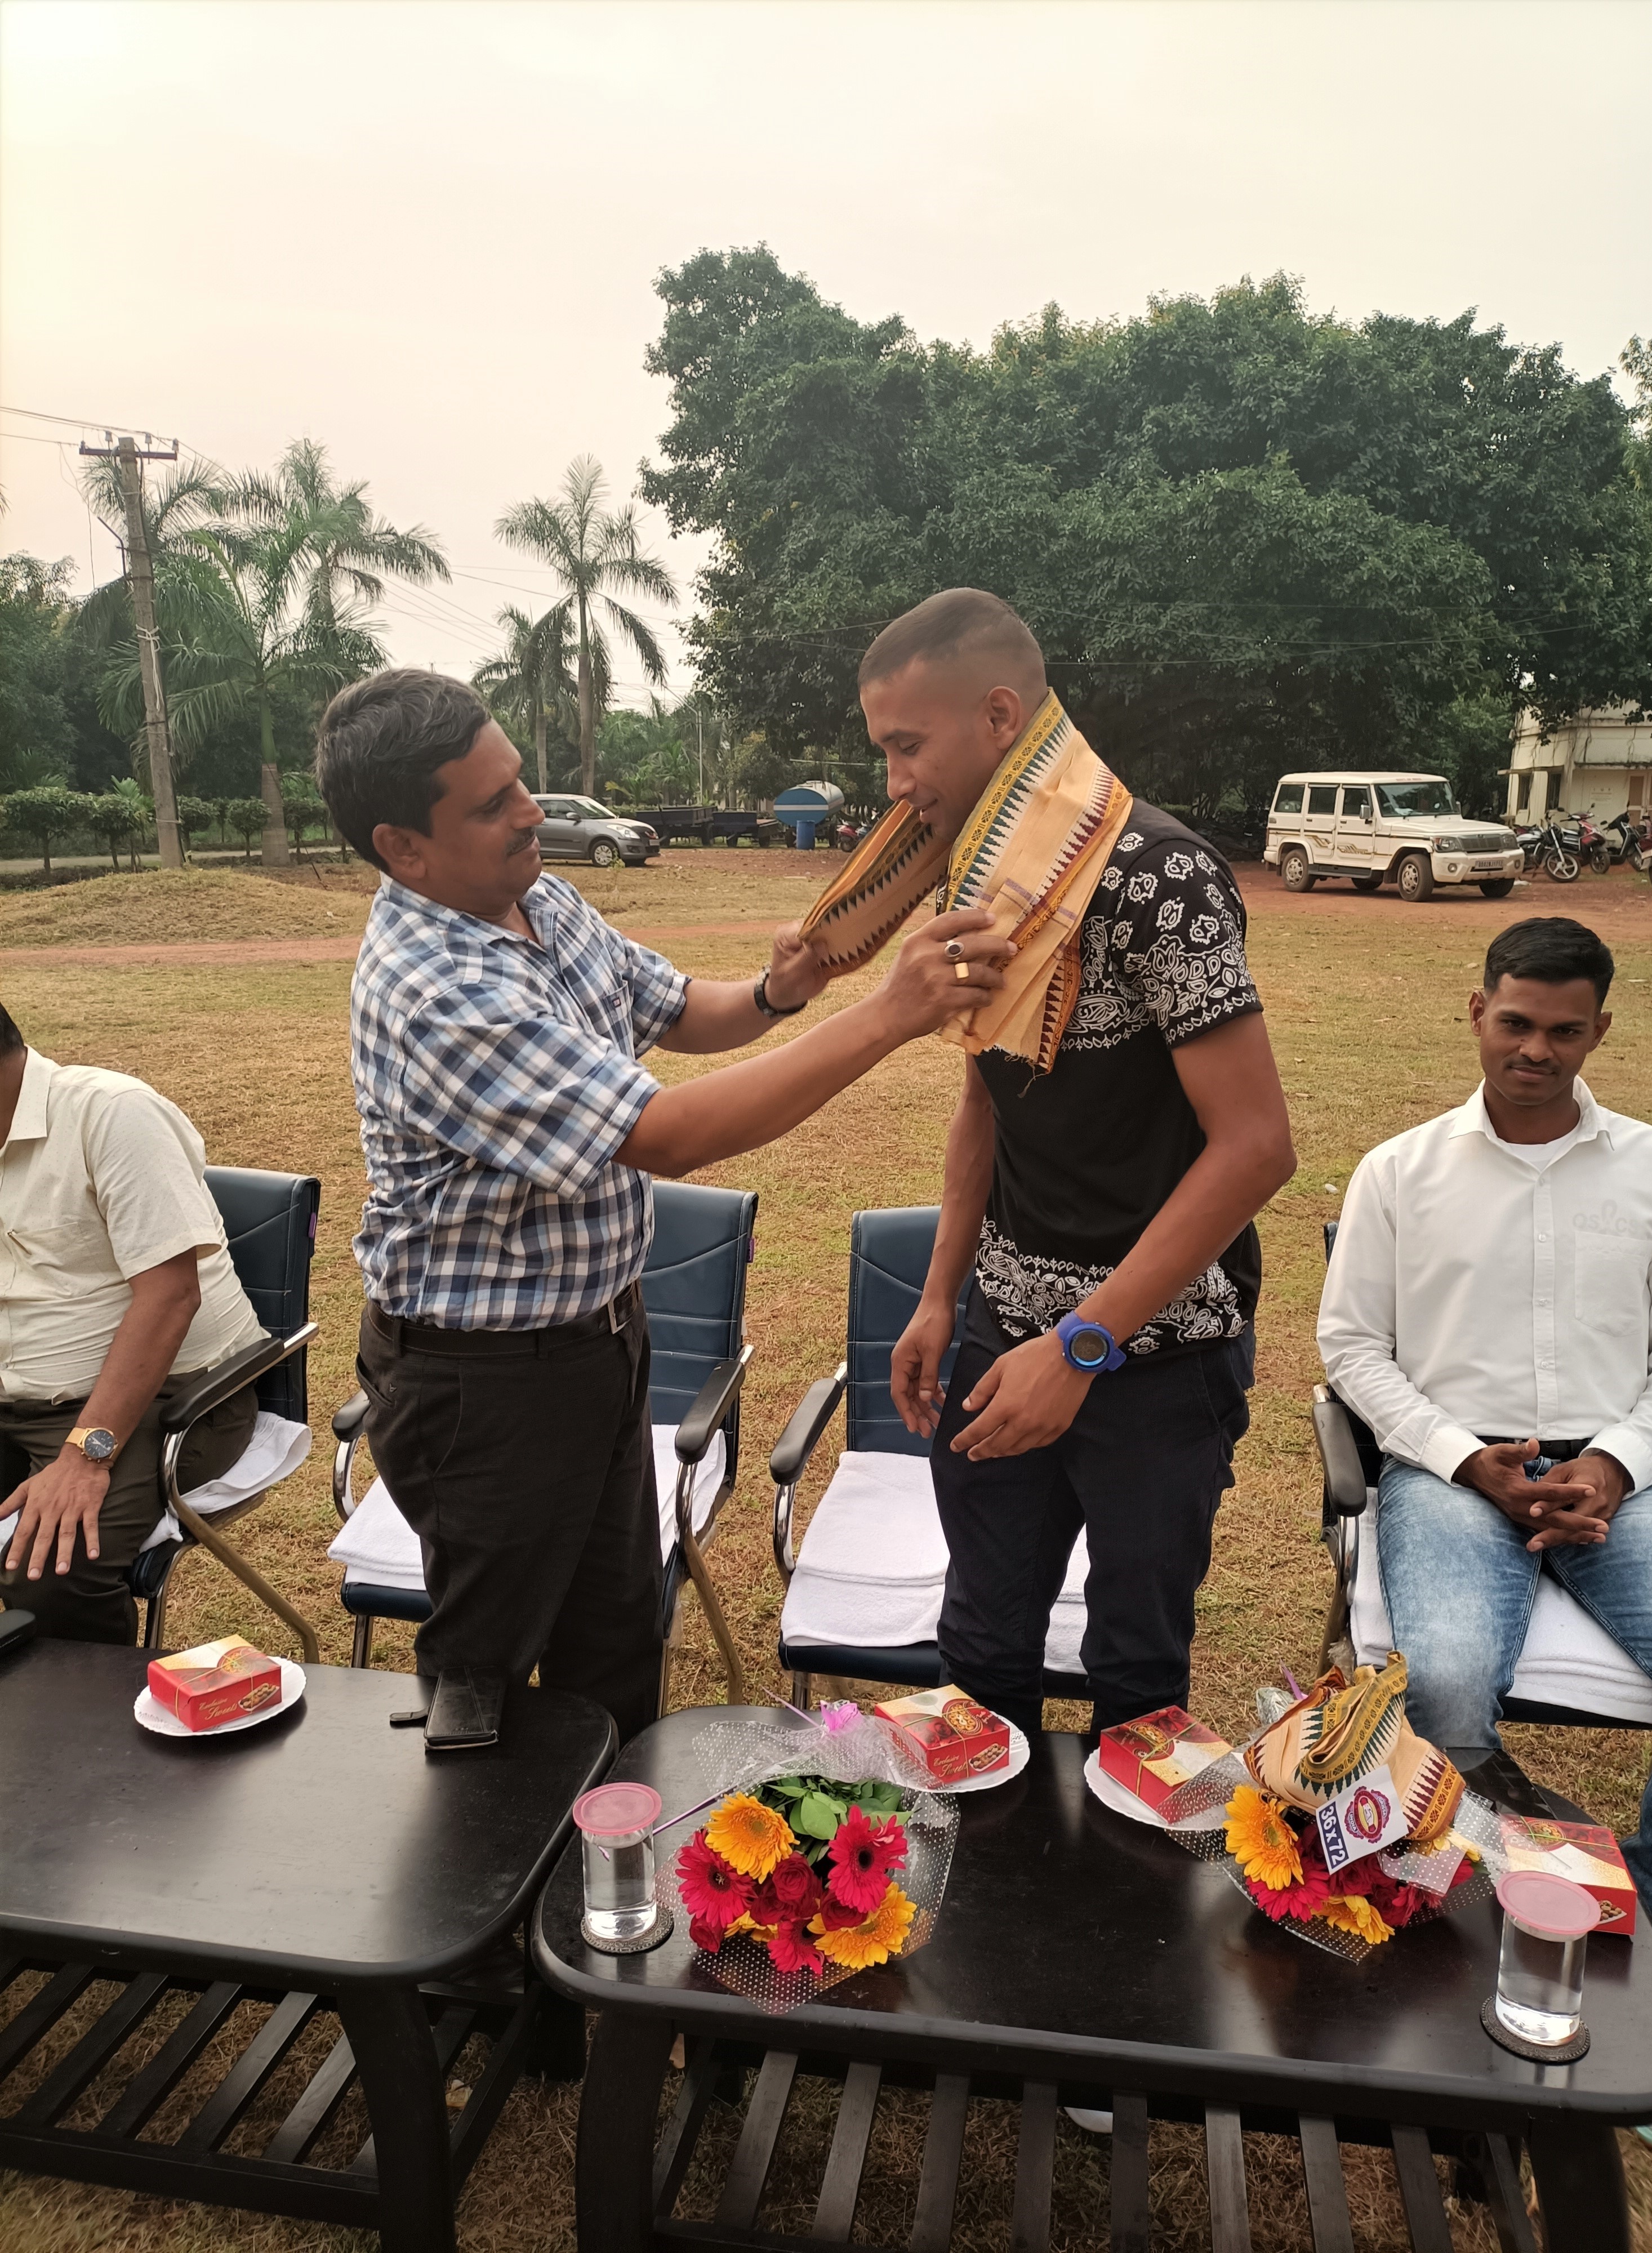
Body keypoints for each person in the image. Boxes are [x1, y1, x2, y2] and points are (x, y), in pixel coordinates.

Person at [314, 667, 1008, 1747]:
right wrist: (887, 1015)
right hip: (480, 1387)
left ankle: (603, 1890)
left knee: (618, 1641)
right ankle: (486, 1901)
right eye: (492, 804)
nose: (530, 811)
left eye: (519, 784)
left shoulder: (532, 894)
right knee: (487, 1684)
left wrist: (782, 990)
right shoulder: (433, 988)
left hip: (596, 1347)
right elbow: (669, 1135)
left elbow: (675, 1007)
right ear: (404, 846)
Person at [874, 590, 1297, 1738]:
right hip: (1004, 1336)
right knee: (982, 1653)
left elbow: (1257, 1147)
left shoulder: (1161, 873)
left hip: (1154, 1357)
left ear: (1000, 714)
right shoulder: (985, 873)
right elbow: (987, 1099)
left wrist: (1083, 1343)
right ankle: (986, 1911)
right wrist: (942, 1293)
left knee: (1136, 1680)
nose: (897, 781)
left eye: (908, 745)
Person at [1317, 916, 1652, 1971]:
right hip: (1453, 1475)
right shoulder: (1401, 1171)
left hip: (1619, 1476)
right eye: (1516, 1023)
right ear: (1478, 1013)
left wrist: (1614, 1465)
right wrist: (1462, 1457)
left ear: (1600, 1032)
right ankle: (1494, 1873)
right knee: (1444, 1684)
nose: (1537, 1050)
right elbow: (1352, 1347)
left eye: (1565, 1031)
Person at [0, 1004, 266, 1641]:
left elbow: (171, 1297)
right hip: (19, 1398)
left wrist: (86, 1456)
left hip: (159, 1399)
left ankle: (91, 1730)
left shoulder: (111, 1114)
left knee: (49, 1573)